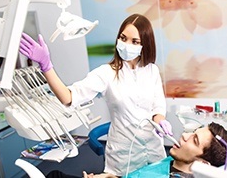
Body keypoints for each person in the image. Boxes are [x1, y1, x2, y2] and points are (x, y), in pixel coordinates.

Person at [19, 13, 173, 176]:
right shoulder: (107, 73)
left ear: (145, 44)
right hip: (123, 158)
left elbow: (157, 106)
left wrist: (160, 120)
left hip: (154, 153)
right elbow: (68, 97)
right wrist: (46, 66)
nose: (127, 45)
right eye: (123, 38)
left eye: (134, 41)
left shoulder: (152, 71)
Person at [82, 122, 227, 178]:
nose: (185, 135)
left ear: (203, 162)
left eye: (194, 140)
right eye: (193, 132)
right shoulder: (174, 161)